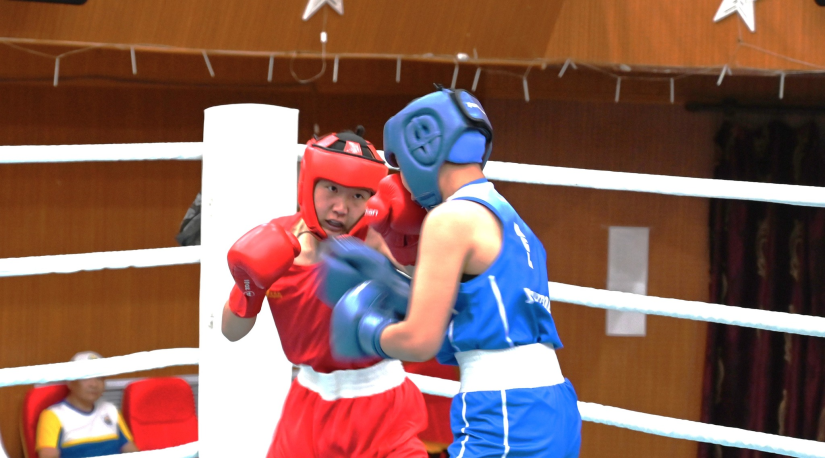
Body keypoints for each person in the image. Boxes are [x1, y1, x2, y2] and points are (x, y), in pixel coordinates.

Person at [322, 88, 582, 458]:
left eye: (400, 167)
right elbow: (482, 309)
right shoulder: (509, 218)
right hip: (550, 405)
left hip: (505, 412)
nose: (402, 183)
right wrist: (397, 280)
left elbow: (419, 342)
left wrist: (366, 332)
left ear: (421, 149)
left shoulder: (449, 219)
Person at [221, 127, 429, 458]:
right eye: (332, 189)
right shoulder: (275, 241)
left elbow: (434, 311)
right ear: (309, 183)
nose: (341, 207)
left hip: (381, 404)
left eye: (357, 196)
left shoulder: (381, 238)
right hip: (307, 403)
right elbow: (231, 332)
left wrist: (405, 260)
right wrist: (252, 287)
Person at [36, 351, 138, 458]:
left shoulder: (111, 410)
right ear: (70, 382)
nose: (94, 384)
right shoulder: (53, 415)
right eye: (86, 377)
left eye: (99, 378)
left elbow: (131, 450)